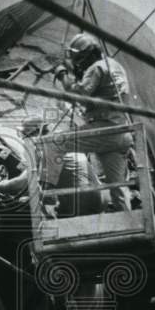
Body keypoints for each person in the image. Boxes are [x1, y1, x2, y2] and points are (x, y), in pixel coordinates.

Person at [53, 32, 135, 212]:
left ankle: (50, 198)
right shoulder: (116, 66)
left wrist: (62, 75)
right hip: (121, 134)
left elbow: (79, 95)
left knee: (53, 144)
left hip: (104, 131)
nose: (77, 62)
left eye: (78, 58)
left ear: (85, 56)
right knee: (118, 188)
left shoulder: (96, 68)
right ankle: (128, 222)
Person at [0, 116, 102, 218]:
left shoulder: (47, 149)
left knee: (22, 208)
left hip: (81, 208)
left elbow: (23, 182)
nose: (23, 139)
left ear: (35, 134)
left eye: (25, 135)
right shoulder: (62, 143)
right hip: (98, 201)